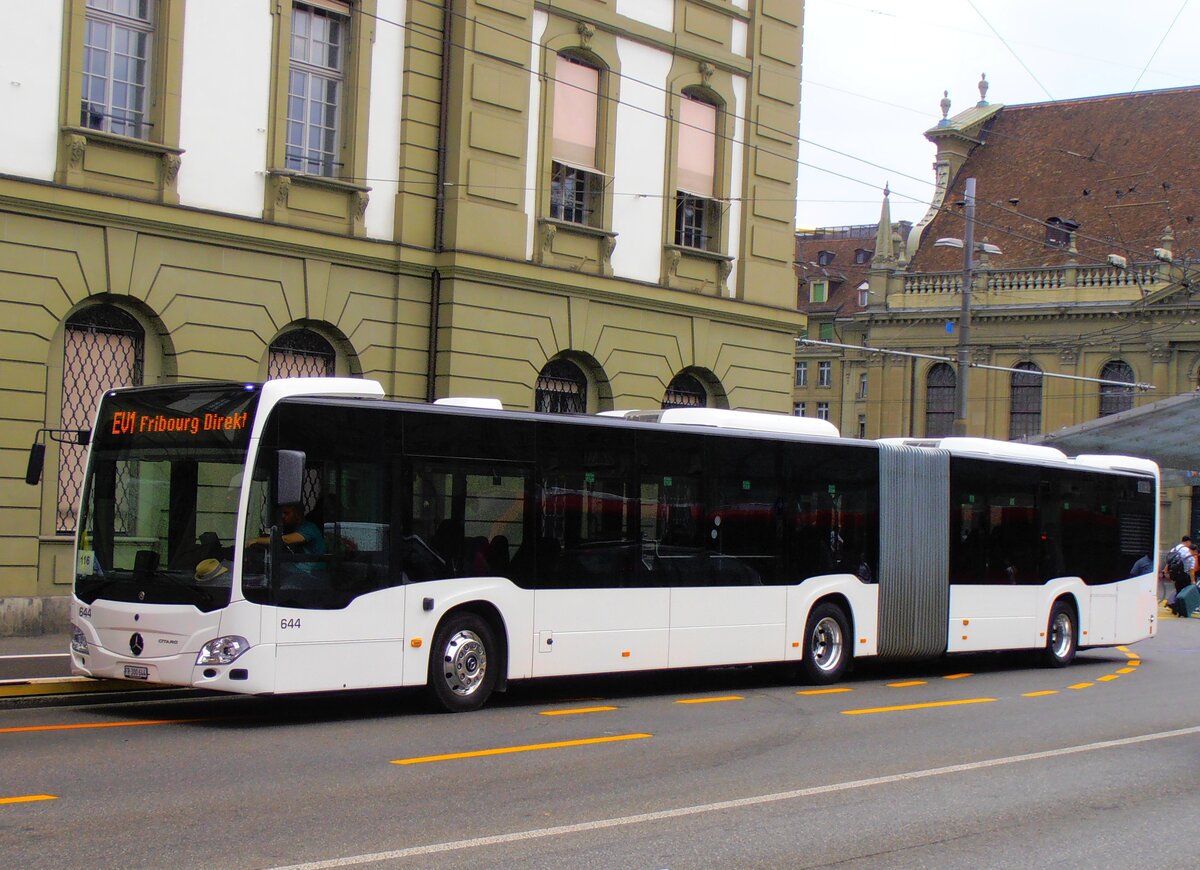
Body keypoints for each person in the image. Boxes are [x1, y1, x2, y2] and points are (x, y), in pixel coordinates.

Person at [247, 502, 328, 556]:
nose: (283, 516)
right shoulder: (292, 527)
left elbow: (285, 540)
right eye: (281, 513)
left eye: (286, 513)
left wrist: (256, 540)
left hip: (310, 571)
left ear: (297, 514)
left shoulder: (308, 528)